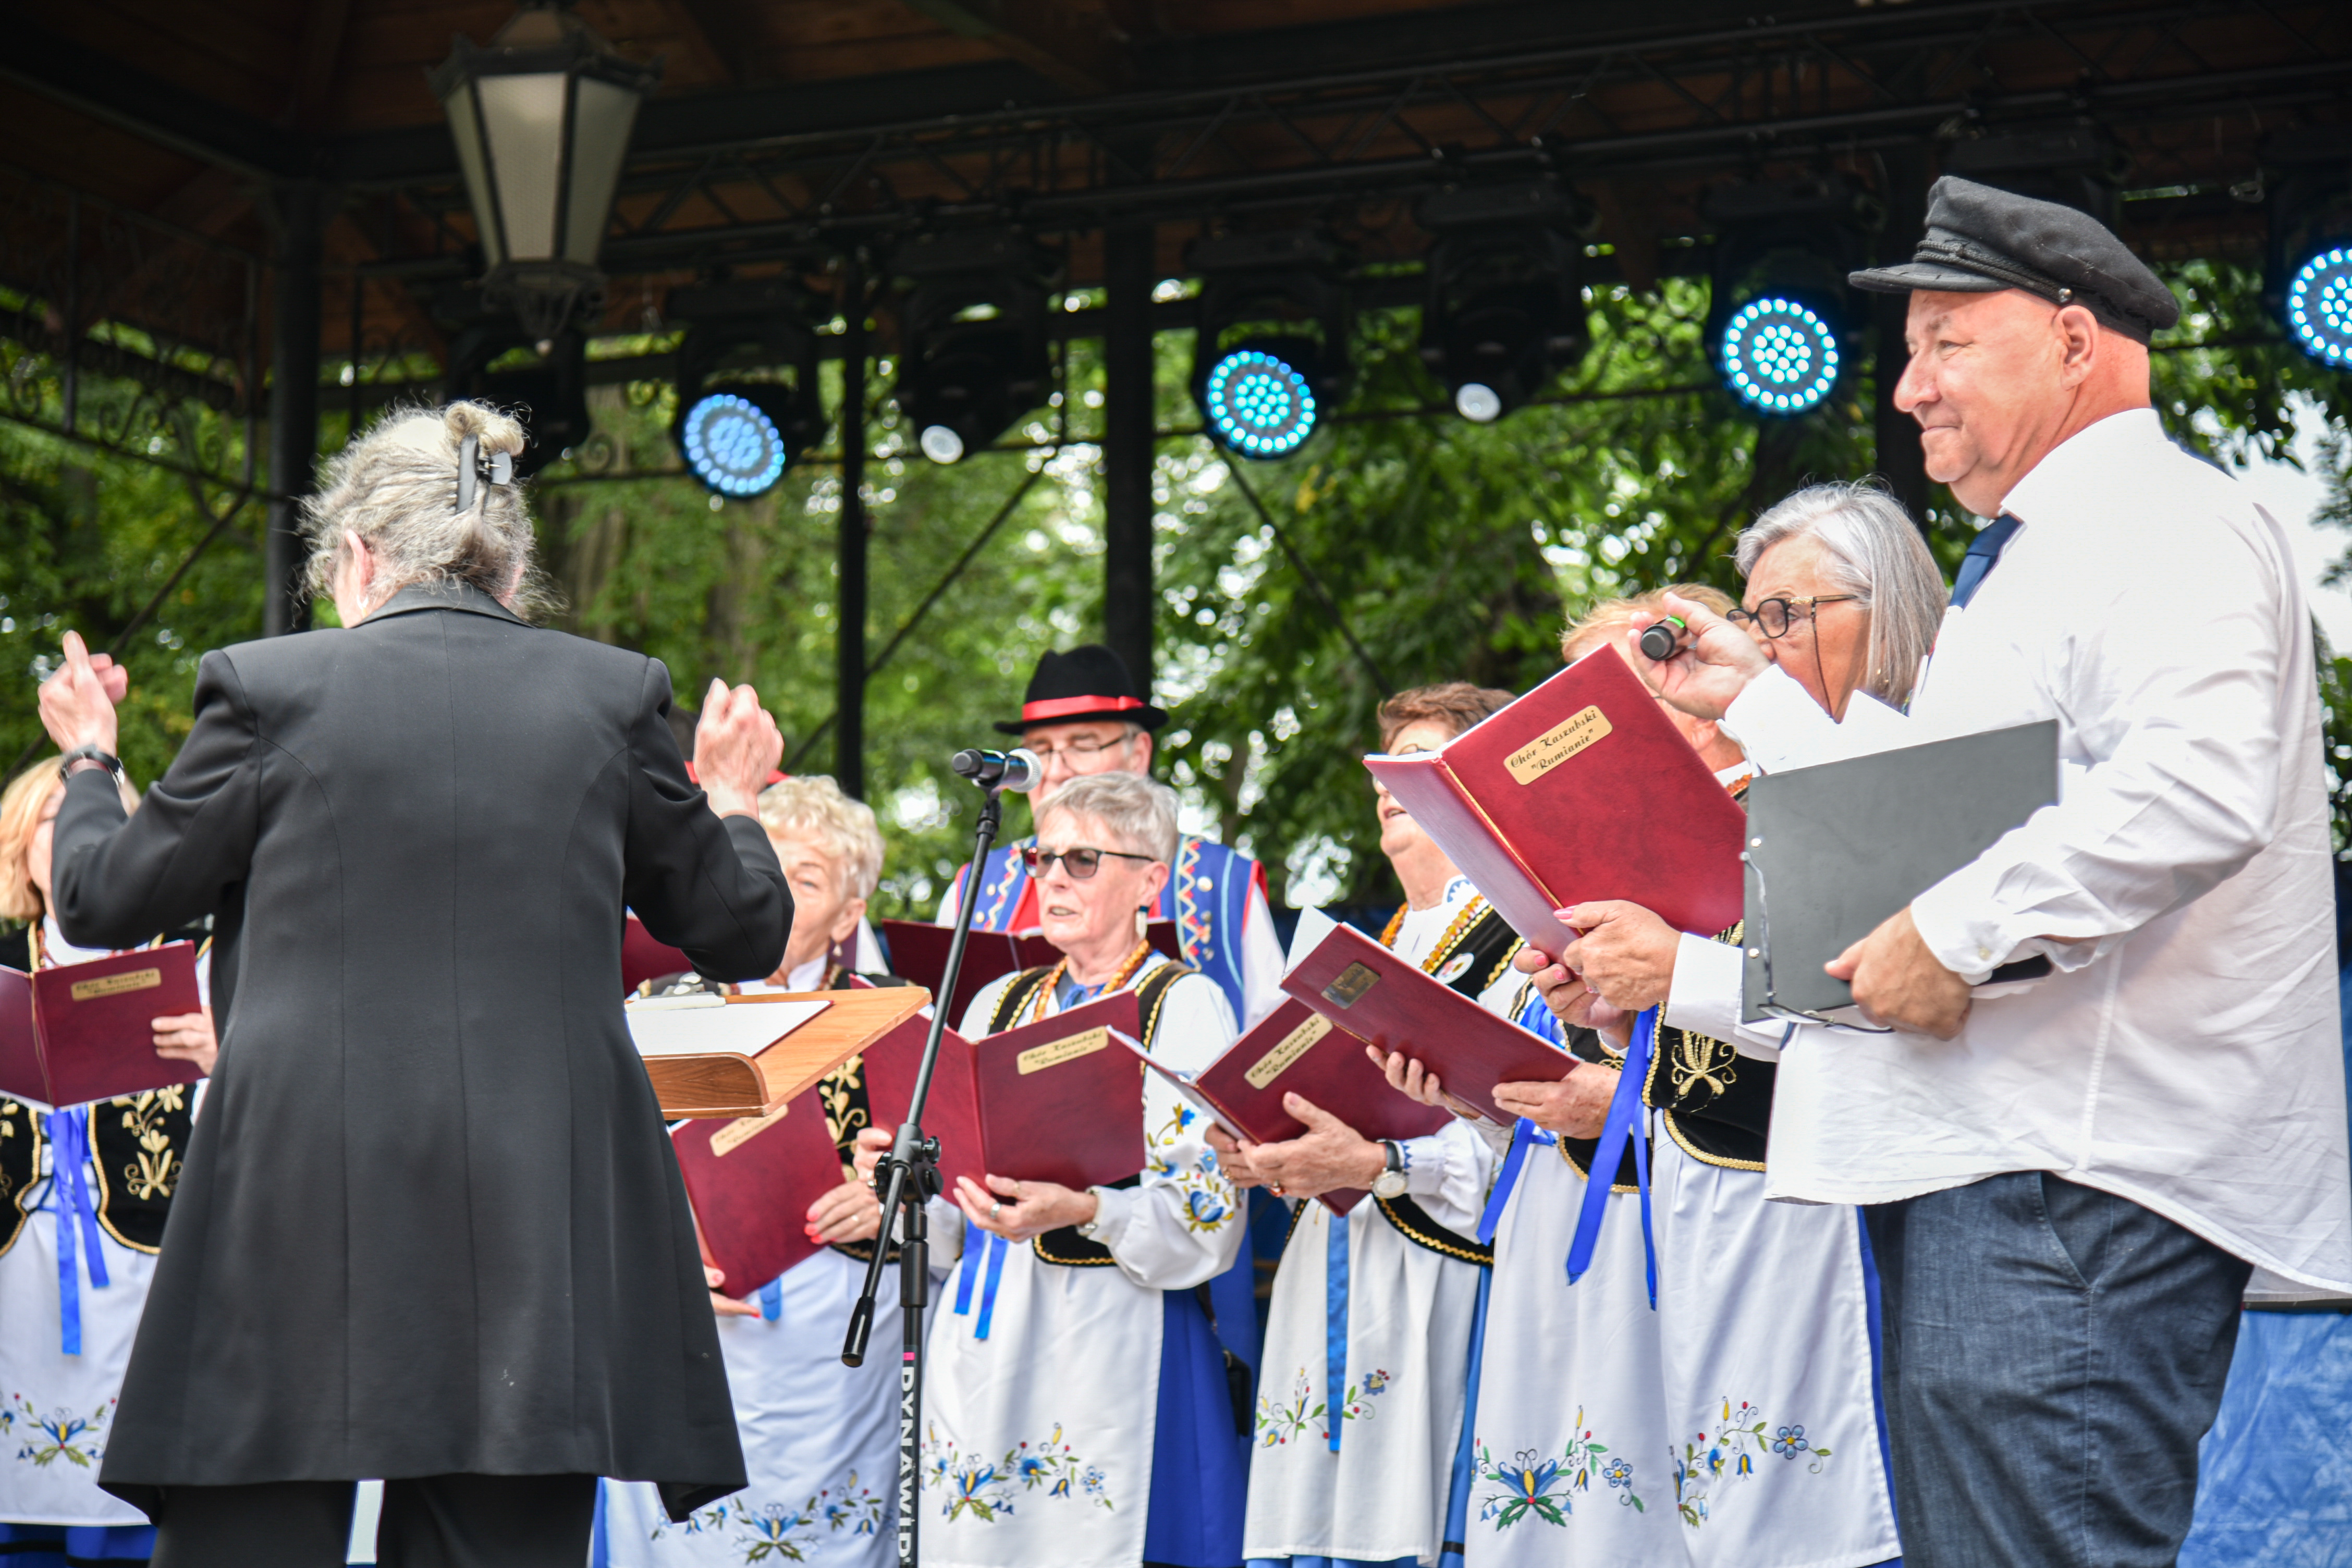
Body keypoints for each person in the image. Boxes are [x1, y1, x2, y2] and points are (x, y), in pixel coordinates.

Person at [1631, 176, 2352, 1566]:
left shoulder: (2159, 517)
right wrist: (1760, 703)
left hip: (2067, 1186)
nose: (1910, 389)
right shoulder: (2039, 555)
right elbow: (1946, 822)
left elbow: (2190, 792)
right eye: (1911, 352)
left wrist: (1953, 936)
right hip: (2012, 1174)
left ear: (2077, 344)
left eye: (1949, 339)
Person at [36, 401, 791, 1568]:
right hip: (535, 1202)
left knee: (252, 1535)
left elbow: (99, 898)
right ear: (511, 560)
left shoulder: (266, 687)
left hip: (294, 1187)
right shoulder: (615, 694)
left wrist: (93, 757)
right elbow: (742, 930)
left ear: (360, 555)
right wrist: (736, 801)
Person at [1483, 564, 1918, 1568]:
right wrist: (1603, 1012)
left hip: (1802, 1198)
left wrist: (1674, 973)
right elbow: (1683, 1032)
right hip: (1691, 1195)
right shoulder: (1633, 840)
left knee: (1814, 1500)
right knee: (1714, 1503)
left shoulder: (1794, 799)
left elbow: (1850, 1002)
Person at [862, 770, 1246, 1568]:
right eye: (1041, 859)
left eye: (1081, 862)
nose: (1053, 880)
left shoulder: (1183, 1004)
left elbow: (1208, 1215)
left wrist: (1086, 1208)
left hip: (1113, 1334)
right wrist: (906, 1174)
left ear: (1152, 879)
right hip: (983, 1336)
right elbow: (946, 1224)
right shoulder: (994, 1002)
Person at [1209, 683, 1525, 1568]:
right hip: (1333, 1256)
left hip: (1438, 1264)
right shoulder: (1365, 948)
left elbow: (1526, 1132)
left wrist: (1384, 1157)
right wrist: (1264, 1144)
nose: (1388, 786)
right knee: (1316, 1518)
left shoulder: (1519, 934)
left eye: (1417, 765)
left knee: (1411, 1521)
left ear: (1479, 784)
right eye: (1383, 771)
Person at [601, 777, 903, 1567]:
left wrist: (884, 1205)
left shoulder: (897, 1016)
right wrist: (659, 1259)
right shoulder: (658, 1008)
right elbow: (602, 1171)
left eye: (808, 880)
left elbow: (954, 1185)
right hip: (686, 1323)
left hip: (834, 1344)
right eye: (768, 868)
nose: (781, 893)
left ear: (848, 915)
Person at [0, 760, 214, 1568]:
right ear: (21, 848)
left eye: (95, 816)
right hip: (14, 1269)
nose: (73, 835)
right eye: (51, 817)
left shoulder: (196, 962)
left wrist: (222, 1054)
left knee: (139, 1504)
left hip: (150, 1263)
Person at [937, 645, 1286, 1031]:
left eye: (1082, 746)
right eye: (1039, 751)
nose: (1054, 770)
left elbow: (1275, 1041)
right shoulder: (976, 885)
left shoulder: (1223, 882)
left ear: (1138, 755)